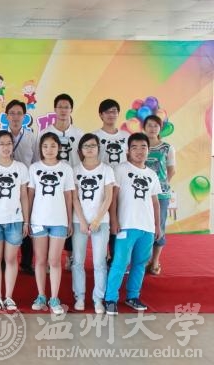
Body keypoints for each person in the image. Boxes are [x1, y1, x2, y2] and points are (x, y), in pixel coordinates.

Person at [104, 133, 161, 315]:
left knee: (139, 263)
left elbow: (155, 202)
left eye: (143, 147)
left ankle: (132, 296)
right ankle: (110, 299)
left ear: (148, 150)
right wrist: (114, 220)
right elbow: (113, 197)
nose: (139, 151)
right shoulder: (120, 169)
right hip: (126, 225)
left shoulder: (152, 174)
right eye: (134, 147)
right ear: (128, 151)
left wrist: (157, 226)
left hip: (147, 227)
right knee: (120, 262)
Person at [0, 130, 29, 311]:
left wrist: (26, 221)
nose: (6, 147)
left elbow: (24, 195)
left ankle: (8, 297)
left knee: (10, 259)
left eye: (9, 143)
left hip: (15, 220)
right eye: (2, 144)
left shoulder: (21, 168)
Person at [28, 132, 74, 315]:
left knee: (54, 261)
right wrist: (28, 219)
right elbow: (30, 195)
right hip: (38, 220)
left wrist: (69, 221)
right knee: (40, 260)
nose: (49, 149)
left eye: (53, 146)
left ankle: (54, 298)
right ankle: (41, 295)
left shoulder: (66, 169)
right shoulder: (34, 168)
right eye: (45, 146)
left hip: (59, 221)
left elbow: (68, 196)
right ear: (41, 148)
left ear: (59, 148)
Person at [40, 93, 84, 271]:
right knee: (51, 218)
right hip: (50, 184)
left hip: (73, 182)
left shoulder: (79, 133)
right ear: (55, 109)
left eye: (67, 107)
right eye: (60, 107)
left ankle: (70, 256)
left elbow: (83, 158)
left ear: (71, 109)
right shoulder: (45, 133)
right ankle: (48, 260)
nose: (63, 110)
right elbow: (39, 158)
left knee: (72, 218)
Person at [71, 134, 114, 314]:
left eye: (93, 145)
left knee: (99, 263)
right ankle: (80, 297)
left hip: (101, 222)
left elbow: (108, 197)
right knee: (78, 261)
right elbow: (74, 198)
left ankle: (98, 299)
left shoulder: (106, 170)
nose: (89, 149)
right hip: (78, 221)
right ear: (80, 150)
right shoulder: (75, 170)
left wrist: (96, 220)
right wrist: (82, 220)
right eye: (86, 146)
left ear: (98, 148)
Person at [93, 99, 130, 265]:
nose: (111, 114)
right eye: (107, 112)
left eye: (114, 111)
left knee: (119, 220)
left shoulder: (126, 137)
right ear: (101, 115)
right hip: (101, 186)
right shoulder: (95, 136)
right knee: (103, 221)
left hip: (121, 185)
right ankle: (101, 259)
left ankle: (115, 258)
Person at [5, 99, 37, 275]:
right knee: (6, 221)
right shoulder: (1, 137)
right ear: (6, 116)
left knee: (26, 220)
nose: (15, 117)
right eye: (12, 113)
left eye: (19, 113)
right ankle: (5, 261)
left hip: (27, 187)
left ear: (24, 116)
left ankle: (26, 262)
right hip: (6, 187)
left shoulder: (32, 137)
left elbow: (37, 162)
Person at [143, 115, 175, 275]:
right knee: (142, 226)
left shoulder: (167, 148)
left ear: (160, 128)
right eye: (149, 125)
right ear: (144, 127)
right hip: (140, 194)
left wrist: (162, 185)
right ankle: (143, 259)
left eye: (156, 125)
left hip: (161, 195)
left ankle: (155, 261)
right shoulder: (139, 145)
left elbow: (171, 170)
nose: (152, 128)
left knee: (159, 226)